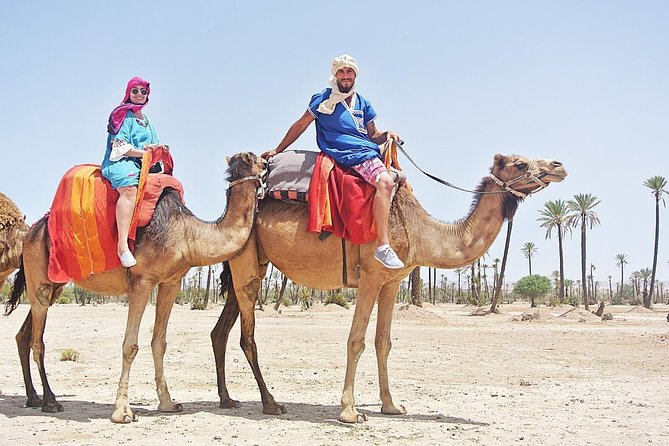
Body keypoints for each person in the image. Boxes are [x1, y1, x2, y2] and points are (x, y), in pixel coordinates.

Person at [262, 54, 404, 269]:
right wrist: (278, 149)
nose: (345, 76)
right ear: (335, 75)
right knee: (385, 183)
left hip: (364, 151)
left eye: (349, 72)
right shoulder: (323, 100)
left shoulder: (363, 103)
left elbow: (373, 134)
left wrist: (388, 135)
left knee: (393, 182)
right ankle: (382, 245)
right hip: (342, 152)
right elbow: (301, 125)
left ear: (355, 75)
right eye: (341, 72)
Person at [101, 76, 160, 268]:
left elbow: (153, 144)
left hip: (141, 163)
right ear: (128, 93)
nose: (139, 94)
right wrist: (144, 154)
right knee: (130, 190)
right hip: (120, 162)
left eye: (144, 91)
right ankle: (122, 247)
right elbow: (119, 145)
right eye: (135, 90)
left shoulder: (147, 121)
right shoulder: (123, 115)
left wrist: (159, 150)